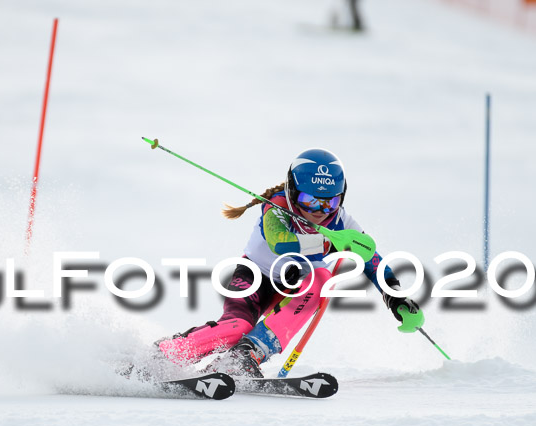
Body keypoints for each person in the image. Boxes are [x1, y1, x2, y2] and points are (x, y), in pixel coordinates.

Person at [156, 148, 424, 377]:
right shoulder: (277, 207)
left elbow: (372, 260)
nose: (319, 211)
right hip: (255, 278)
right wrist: (329, 243)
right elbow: (280, 242)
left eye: (329, 202)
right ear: (293, 192)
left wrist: (396, 298)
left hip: (295, 288)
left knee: (321, 280)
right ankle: (162, 356)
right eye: (309, 200)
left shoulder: (342, 222)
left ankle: (245, 356)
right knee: (238, 327)